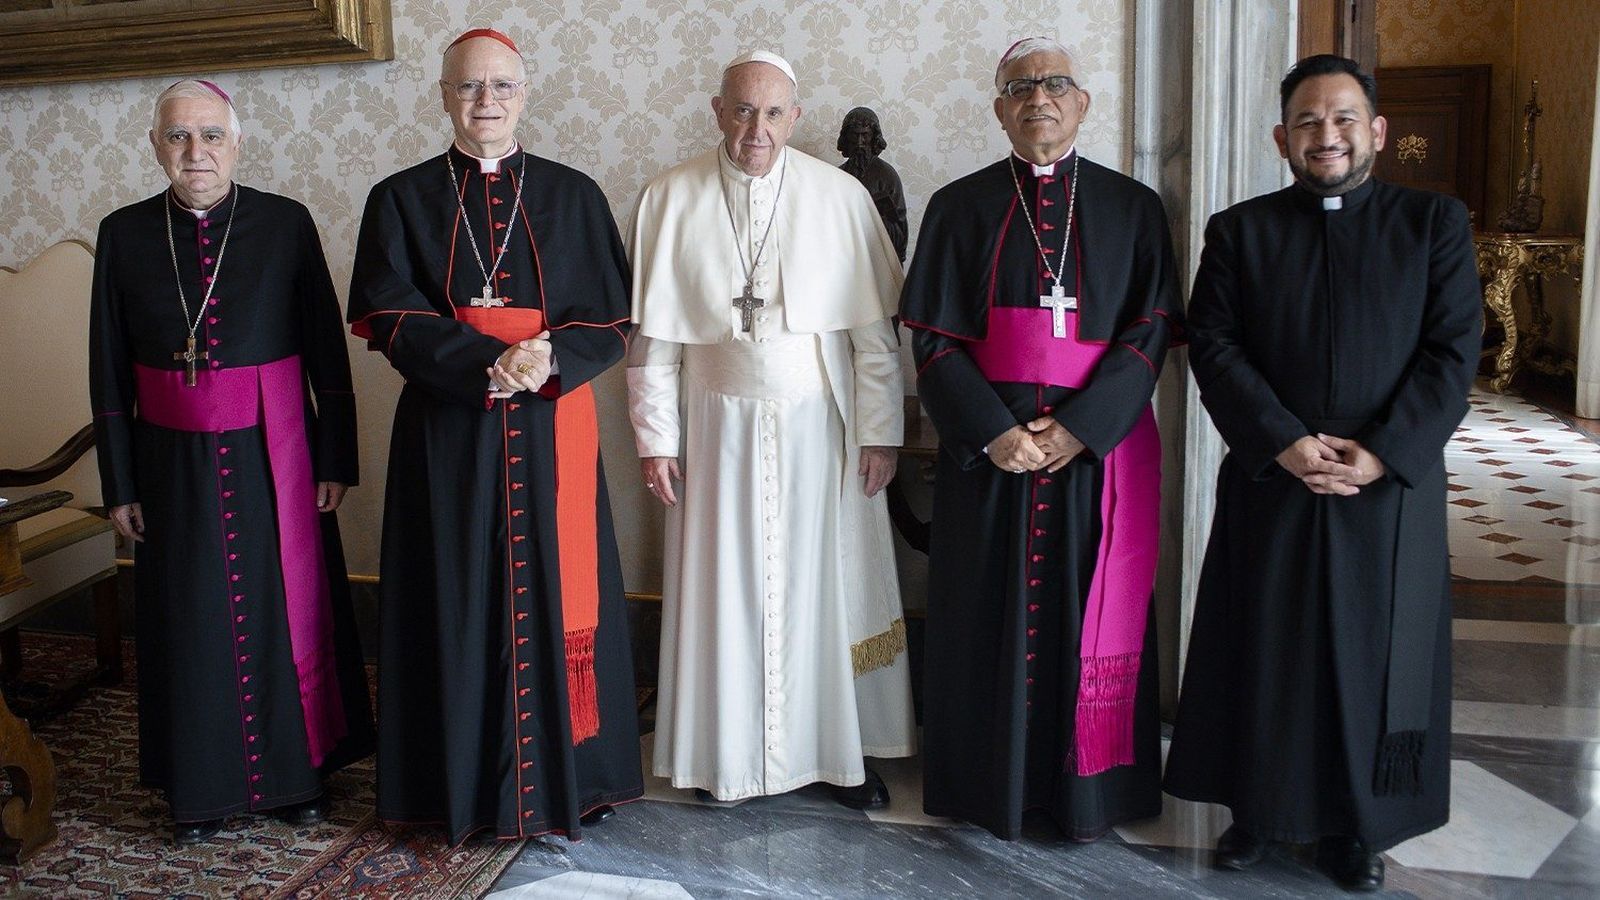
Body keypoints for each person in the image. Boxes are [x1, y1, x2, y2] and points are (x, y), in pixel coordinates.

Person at [1163, 54, 1480, 892]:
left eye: (1343, 118)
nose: (1326, 135)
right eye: (1307, 121)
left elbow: (1453, 353)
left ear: (1376, 131)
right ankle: (1257, 813)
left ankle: (1360, 827)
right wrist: (1284, 442)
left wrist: (1382, 452)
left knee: (1373, 660)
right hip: (1277, 479)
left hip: (1388, 492)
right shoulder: (1240, 231)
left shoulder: (1434, 224)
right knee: (1266, 649)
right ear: (1281, 138)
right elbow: (1216, 346)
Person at [348, 28, 641, 843]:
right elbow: (387, 311)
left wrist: (546, 359)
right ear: (443, 95)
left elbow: (613, 318)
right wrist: (486, 361)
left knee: (559, 591)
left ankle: (574, 780)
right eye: (469, 87)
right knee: (453, 593)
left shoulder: (574, 195)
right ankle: (455, 787)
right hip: (451, 431)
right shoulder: (399, 198)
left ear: (525, 93)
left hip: (552, 426)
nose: (486, 102)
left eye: (501, 87)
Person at [900, 37, 1180, 841]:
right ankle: (986, 788)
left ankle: (1093, 792)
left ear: (1082, 102)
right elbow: (929, 335)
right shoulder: (959, 205)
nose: (1039, 99)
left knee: (1091, 609)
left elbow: (1152, 325)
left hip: (1099, 457)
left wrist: (1082, 429)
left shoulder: (1134, 207)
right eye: (1020, 88)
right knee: (985, 616)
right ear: (999, 111)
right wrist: (993, 433)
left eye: (1056, 84)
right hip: (991, 461)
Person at [627, 50, 914, 807]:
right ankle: (728, 760)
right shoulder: (668, 197)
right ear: (717, 111)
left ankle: (836, 757)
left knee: (825, 589)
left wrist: (880, 434)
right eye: (744, 110)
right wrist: (657, 439)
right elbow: (653, 346)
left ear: (797, 116)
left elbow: (874, 339)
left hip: (818, 428)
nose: (758, 128)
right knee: (724, 593)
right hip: (712, 430)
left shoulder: (840, 197)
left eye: (775, 112)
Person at [89, 79, 373, 846]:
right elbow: (108, 367)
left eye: (212, 136)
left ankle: (297, 778)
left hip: (271, 450)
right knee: (191, 617)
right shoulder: (123, 232)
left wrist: (334, 454)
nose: (196, 152)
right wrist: (119, 481)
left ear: (237, 144)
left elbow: (325, 348)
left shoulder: (284, 223)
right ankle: (200, 788)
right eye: (179, 137)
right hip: (167, 460)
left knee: (285, 606)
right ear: (155, 147)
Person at [837, 106, 909, 261]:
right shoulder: (837, 176)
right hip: (845, 259)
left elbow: (900, 235)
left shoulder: (887, 175)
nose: (859, 142)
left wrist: (876, 218)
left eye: (865, 136)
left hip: (878, 261)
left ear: (874, 137)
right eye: (854, 136)